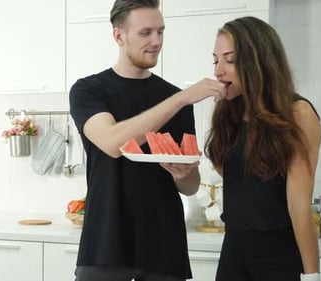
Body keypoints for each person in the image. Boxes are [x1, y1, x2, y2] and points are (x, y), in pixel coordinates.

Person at [69, 0, 226, 280]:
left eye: (161, 32)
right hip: (106, 244)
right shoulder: (88, 90)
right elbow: (111, 142)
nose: (156, 41)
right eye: (145, 33)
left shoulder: (177, 100)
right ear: (119, 36)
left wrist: (183, 174)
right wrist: (180, 99)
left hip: (164, 247)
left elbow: (190, 187)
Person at [205, 16, 321, 281]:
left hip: (278, 257)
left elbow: (299, 205)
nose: (218, 70)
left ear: (257, 61)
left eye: (230, 60)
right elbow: (238, 179)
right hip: (233, 251)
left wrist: (312, 275)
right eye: (215, 60)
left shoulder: (298, 113)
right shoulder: (229, 114)